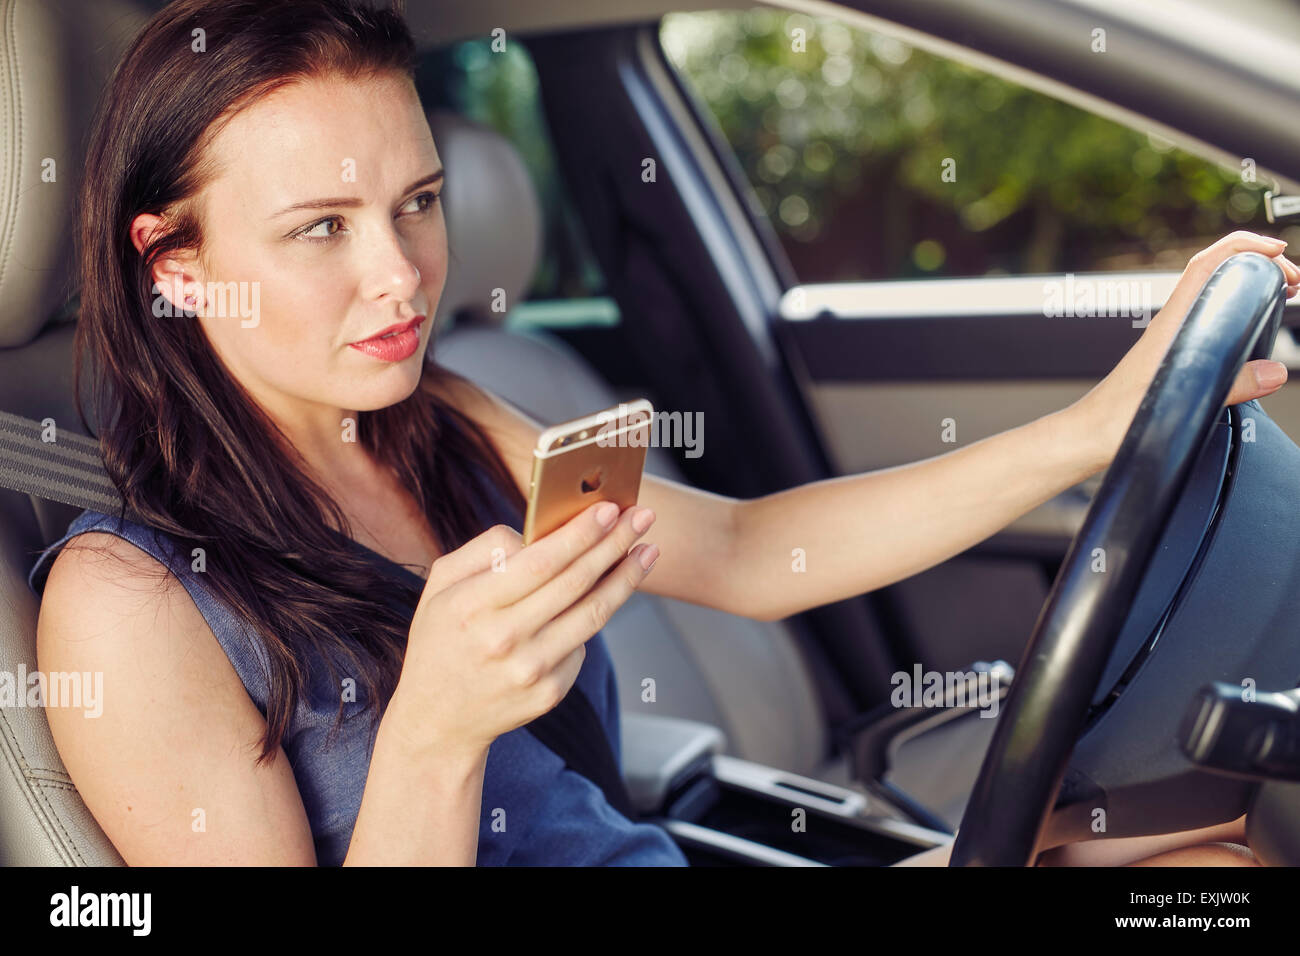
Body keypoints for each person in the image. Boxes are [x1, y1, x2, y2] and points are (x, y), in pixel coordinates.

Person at [28, 0, 1299, 867]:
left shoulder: (443, 419)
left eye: (418, 202)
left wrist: (1088, 431)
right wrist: (434, 729)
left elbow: (748, 553)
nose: (403, 275)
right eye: (321, 227)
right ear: (177, 265)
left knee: (1204, 868)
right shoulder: (127, 601)